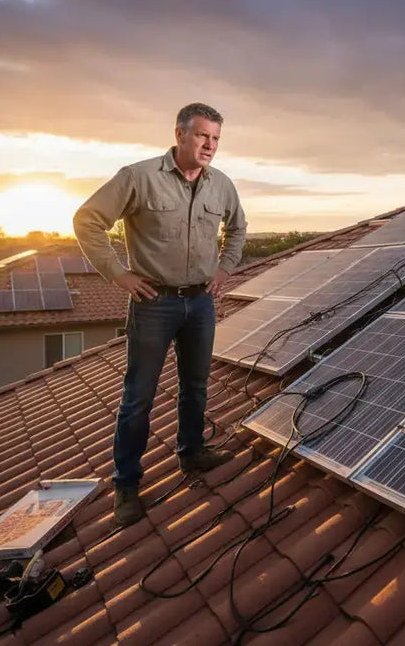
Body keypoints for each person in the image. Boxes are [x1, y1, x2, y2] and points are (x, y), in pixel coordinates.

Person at [74, 102, 248, 526]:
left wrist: (225, 268)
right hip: (154, 303)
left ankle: (192, 452)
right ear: (180, 134)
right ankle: (127, 484)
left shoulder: (221, 185)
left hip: (200, 303)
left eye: (216, 139)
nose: (209, 146)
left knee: (196, 385)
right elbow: (88, 220)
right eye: (202, 136)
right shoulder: (138, 177)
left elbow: (239, 227)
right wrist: (118, 274)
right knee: (139, 397)